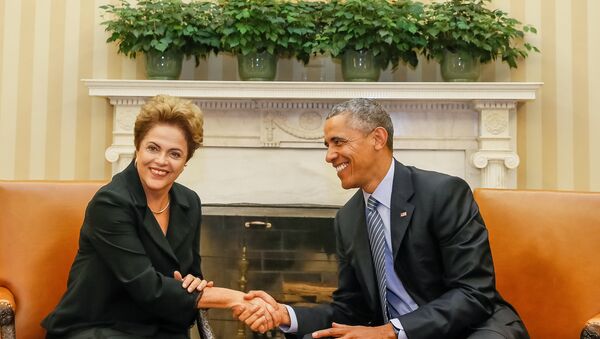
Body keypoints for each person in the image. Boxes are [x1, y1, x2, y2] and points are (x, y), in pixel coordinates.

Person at [239, 98, 529, 339]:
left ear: (378, 138)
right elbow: (350, 310)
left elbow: (473, 293)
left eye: (338, 142)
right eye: (326, 145)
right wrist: (285, 313)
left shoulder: (442, 193)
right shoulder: (348, 219)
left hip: (471, 329)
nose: (329, 156)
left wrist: (391, 331)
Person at [42, 95, 275, 338]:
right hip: (98, 329)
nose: (161, 161)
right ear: (137, 147)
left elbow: (192, 280)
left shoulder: (189, 203)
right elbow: (147, 287)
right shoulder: (110, 203)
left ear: (186, 161)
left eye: (175, 154)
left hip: (161, 326)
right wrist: (236, 298)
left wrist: (190, 287)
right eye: (153, 148)